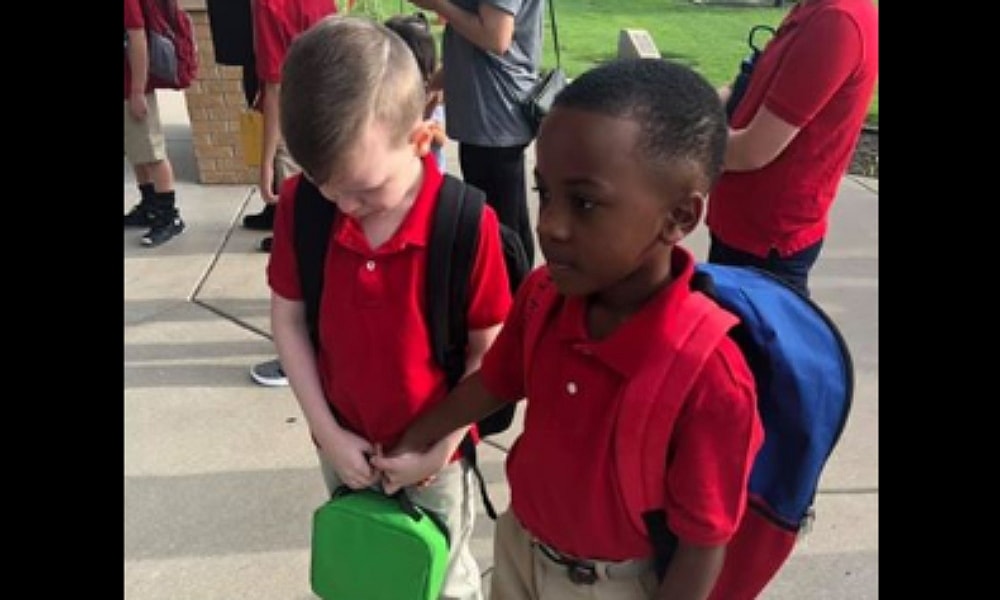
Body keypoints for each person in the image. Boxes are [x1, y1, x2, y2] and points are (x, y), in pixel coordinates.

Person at [375, 58, 765, 600]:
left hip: (611, 585)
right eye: (544, 192)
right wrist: (413, 439)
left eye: (584, 203)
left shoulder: (710, 377)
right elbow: (495, 384)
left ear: (679, 217)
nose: (549, 224)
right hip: (520, 548)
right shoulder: (544, 297)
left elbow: (703, 545)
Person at [269, 15, 513, 599]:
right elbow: (289, 319)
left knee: (440, 577)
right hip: (343, 444)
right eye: (326, 184)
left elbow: (490, 353)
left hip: (438, 454)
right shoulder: (306, 206)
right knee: (366, 568)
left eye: (365, 190)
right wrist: (326, 432)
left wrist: (441, 446)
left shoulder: (463, 224)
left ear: (422, 138)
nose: (343, 204)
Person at [707, 0, 879, 296]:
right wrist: (680, 106)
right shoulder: (812, 8)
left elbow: (751, 150)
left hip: (765, 240)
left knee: (756, 339)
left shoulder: (838, 21)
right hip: (742, 224)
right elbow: (744, 85)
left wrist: (670, 144)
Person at [407, 0, 544, 267]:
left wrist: (438, 4)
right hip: (486, 115)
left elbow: (496, 37)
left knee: (500, 227)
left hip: (495, 114)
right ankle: (517, 294)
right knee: (504, 219)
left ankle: (513, 299)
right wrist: (432, 85)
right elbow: (473, 46)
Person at [247, 0, 337, 387]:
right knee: (329, 250)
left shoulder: (270, 5)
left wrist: (265, 162)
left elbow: (274, 88)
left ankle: (304, 354)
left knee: (301, 262)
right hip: (333, 134)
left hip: (297, 138)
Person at [123, 0, 187, 248]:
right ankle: (149, 205)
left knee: (152, 151)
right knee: (136, 148)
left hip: (132, 88)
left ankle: (169, 216)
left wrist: (138, 90)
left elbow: (138, 39)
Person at [384, 12, 448, 172]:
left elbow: (441, 138)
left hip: (428, 171)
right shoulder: (387, 90)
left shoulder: (431, 92)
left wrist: (423, 126)